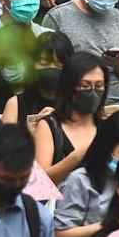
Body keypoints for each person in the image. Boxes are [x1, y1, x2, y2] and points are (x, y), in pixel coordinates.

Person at [33, 51, 105, 185]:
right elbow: (40, 182)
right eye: (85, 86)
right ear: (69, 87)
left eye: (99, 86)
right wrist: (76, 157)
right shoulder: (50, 126)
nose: (93, 92)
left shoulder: (106, 128)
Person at [1, 30, 74, 123]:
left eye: (59, 65)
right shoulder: (15, 105)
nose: (51, 69)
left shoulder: (77, 105)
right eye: (44, 63)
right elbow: (5, 136)